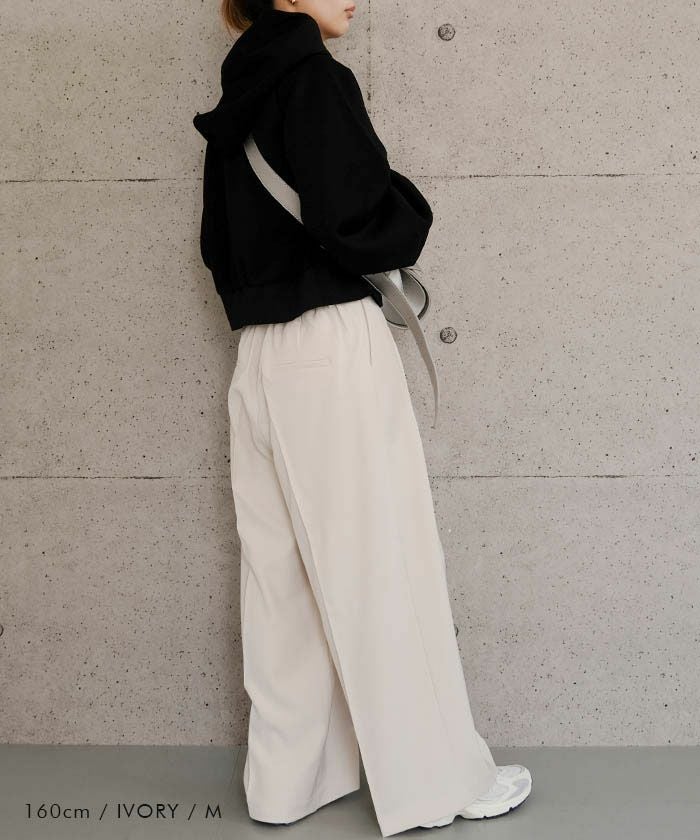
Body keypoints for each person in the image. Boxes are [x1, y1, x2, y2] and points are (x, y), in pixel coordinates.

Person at [192, 0, 532, 835]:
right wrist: (401, 208)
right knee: (384, 561)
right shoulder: (314, 79)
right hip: (330, 345)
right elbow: (362, 222)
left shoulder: (239, 91)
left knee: (281, 578)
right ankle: (438, 783)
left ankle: (290, 782)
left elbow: (218, 246)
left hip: (260, 355)